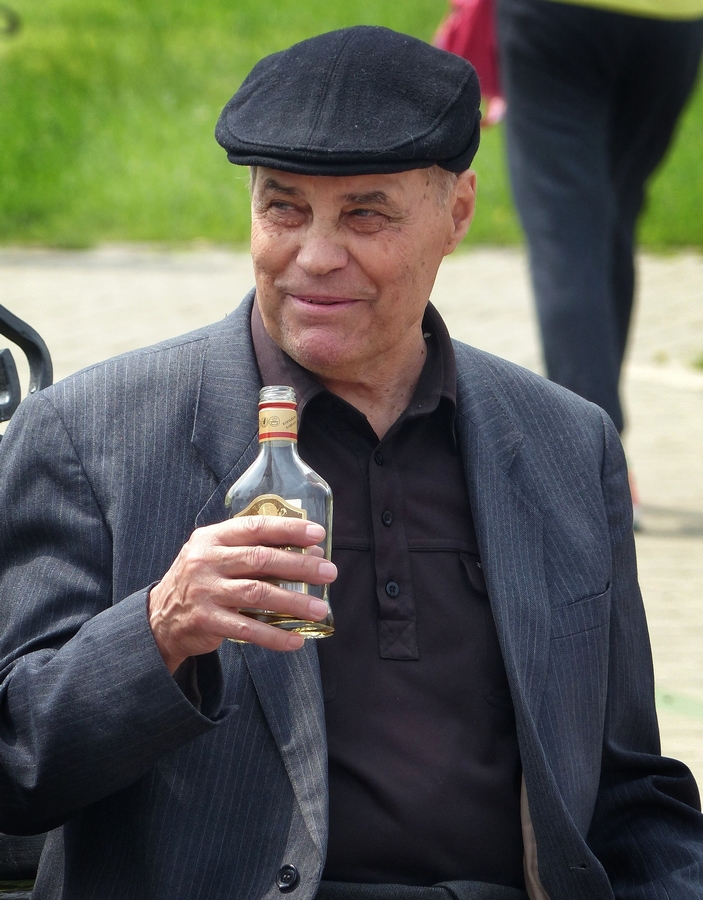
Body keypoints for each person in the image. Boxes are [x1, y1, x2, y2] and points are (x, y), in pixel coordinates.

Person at [0, 25, 702, 900]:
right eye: (283, 209)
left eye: (365, 215)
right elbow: (15, 773)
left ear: (457, 212)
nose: (315, 256)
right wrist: (160, 627)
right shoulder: (87, 434)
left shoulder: (567, 444)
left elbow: (631, 793)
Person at [496, 0, 703, 437]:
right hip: (674, 21)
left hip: (558, 18)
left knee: (568, 233)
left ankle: (591, 458)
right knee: (611, 220)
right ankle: (601, 440)